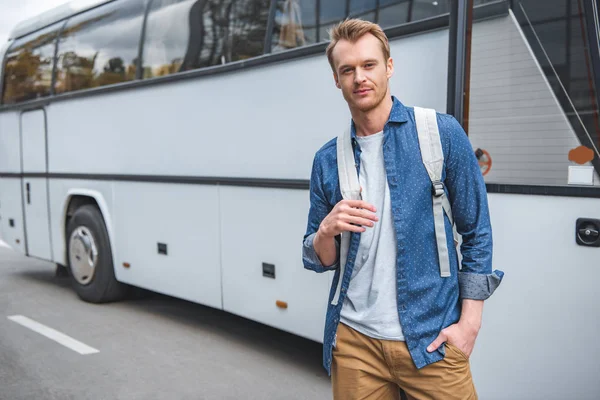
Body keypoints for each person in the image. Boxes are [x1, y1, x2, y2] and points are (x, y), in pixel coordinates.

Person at [302, 18, 504, 400]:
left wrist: (470, 323)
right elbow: (318, 259)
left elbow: (477, 231)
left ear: (389, 67)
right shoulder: (328, 160)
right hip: (355, 342)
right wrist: (326, 230)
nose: (359, 77)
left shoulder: (440, 134)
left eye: (369, 65)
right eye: (347, 70)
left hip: (432, 338)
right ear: (336, 79)